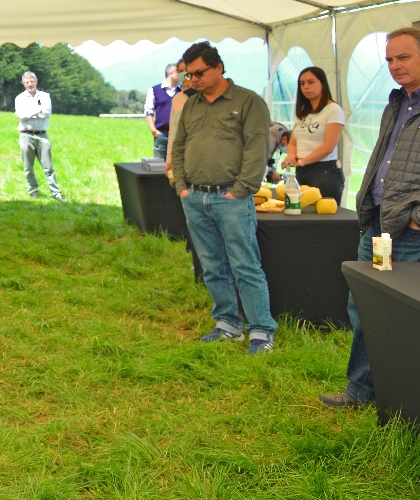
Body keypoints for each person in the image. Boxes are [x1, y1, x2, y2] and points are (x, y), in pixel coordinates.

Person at [320, 26, 420, 409]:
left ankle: (409, 404)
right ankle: (362, 392)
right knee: (365, 306)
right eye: (390, 59)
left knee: (407, 318)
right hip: (379, 229)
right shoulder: (396, 102)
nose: (394, 66)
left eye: (403, 57)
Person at [171, 41, 276, 354]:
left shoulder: (247, 102)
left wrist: (240, 190)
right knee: (212, 265)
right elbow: (178, 146)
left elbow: (258, 149)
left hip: (230, 196)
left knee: (245, 264)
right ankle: (228, 324)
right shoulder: (192, 104)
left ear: (218, 66)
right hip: (195, 197)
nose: (195, 80)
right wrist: (182, 187)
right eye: (190, 76)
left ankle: (260, 331)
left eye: (200, 73)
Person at [280, 67, 346, 201]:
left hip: (324, 172)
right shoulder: (304, 112)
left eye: (311, 82)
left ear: (322, 84)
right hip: (301, 172)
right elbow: (293, 142)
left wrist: (303, 161)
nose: (306, 87)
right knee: (301, 214)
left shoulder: (333, 110)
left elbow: (328, 147)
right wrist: (291, 157)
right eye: (302, 83)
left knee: (324, 216)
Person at [14, 71, 64, 201]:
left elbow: (47, 114)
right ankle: (33, 191)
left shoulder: (45, 96)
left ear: (36, 82)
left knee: (48, 167)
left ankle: (56, 193)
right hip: (26, 135)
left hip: (42, 136)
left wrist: (28, 113)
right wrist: (37, 110)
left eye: (32, 81)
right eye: (27, 82)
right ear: (23, 84)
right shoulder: (19, 98)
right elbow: (22, 116)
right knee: (28, 167)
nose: (30, 84)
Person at [144, 63, 181, 159]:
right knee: (158, 167)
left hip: (179, 135)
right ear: (171, 73)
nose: (181, 75)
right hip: (161, 134)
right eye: (178, 72)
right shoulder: (154, 90)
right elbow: (149, 111)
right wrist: (154, 130)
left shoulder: (182, 91)